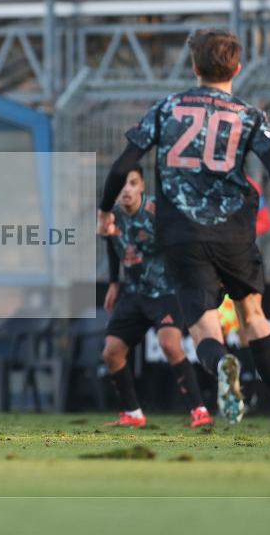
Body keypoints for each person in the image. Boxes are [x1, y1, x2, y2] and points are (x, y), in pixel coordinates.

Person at [98, 28, 270, 447]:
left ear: (194, 66)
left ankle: (221, 365)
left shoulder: (167, 108)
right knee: (253, 317)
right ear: (237, 68)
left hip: (182, 236)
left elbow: (121, 165)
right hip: (235, 233)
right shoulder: (249, 115)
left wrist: (105, 208)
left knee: (204, 327)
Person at [101, 166, 213, 429]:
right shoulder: (111, 216)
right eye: (122, 185)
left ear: (142, 187)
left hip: (166, 291)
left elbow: (184, 240)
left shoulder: (157, 211)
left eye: (132, 183)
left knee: (169, 345)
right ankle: (133, 413)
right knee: (111, 353)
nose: (126, 189)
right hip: (135, 291)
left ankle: (200, 410)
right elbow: (110, 243)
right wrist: (114, 282)